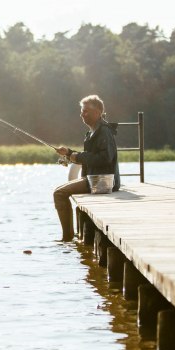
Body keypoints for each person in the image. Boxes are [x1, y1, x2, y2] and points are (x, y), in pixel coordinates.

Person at [53, 95, 120, 241]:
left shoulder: (104, 132)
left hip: (103, 181)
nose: (82, 114)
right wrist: (69, 153)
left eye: (86, 111)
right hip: (95, 178)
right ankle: (69, 236)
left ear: (98, 112)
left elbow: (105, 158)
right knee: (60, 191)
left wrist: (78, 157)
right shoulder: (92, 132)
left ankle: (67, 238)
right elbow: (90, 155)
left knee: (59, 194)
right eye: (82, 111)